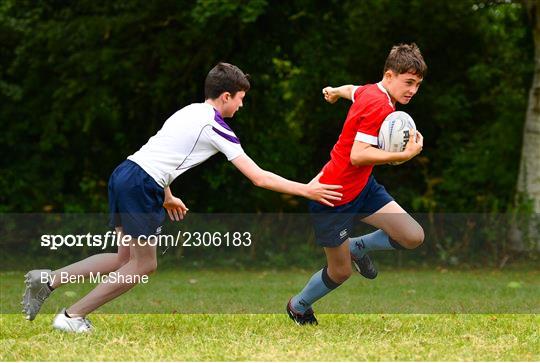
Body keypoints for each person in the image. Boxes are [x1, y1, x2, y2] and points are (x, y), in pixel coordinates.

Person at [22, 62, 343, 333]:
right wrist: (307, 189)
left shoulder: (190, 111)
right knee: (144, 265)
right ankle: (72, 316)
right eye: (241, 99)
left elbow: (163, 153)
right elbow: (258, 177)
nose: (242, 106)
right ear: (227, 96)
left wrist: (168, 195)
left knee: (123, 259)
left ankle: (47, 280)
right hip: (140, 184)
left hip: (126, 174)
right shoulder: (216, 127)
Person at [286, 43, 427, 325]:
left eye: (417, 84)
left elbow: (354, 90)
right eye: (408, 82)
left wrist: (336, 91)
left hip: (362, 188)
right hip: (332, 197)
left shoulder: (373, 91)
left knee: (412, 236)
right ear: (389, 76)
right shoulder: (378, 105)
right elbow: (358, 155)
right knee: (340, 273)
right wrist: (403, 155)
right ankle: (298, 306)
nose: (412, 90)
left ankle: (358, 246)